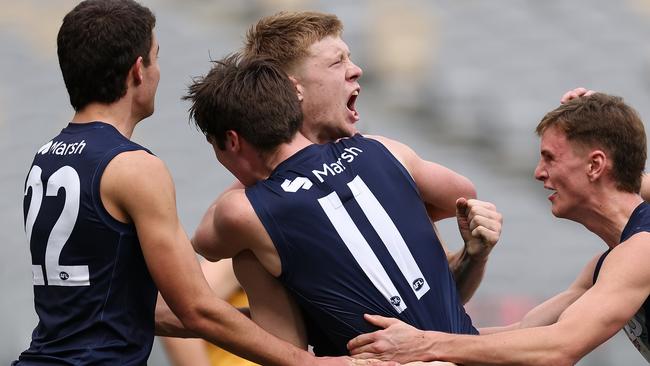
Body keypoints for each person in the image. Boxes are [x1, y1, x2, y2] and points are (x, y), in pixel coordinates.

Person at [15, 1, 389, 365]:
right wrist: (311, 363)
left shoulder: (47, 156)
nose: (159, 71)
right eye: (156, 57)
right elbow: (196, 307)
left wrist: (298, 324)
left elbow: (135, 308)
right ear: (137, 71)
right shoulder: (133, 167)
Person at [162, 11, 497, 364]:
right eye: (337, 62)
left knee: (250, 258)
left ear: (231, 140)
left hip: (421, 351)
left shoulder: (250, 210)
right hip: (459, 354)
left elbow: (204, 247)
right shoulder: (383, 151)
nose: (356, 70)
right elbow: (461, 196)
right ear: (293, 90)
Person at [347, 92, 650, 365]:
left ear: (595, 165)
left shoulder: (641, 249)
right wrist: (408, 342)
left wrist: (426, 345)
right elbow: (526, 333)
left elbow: (559, 348)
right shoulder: (607, 264)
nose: (538, 173)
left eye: (550, 158)